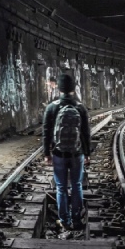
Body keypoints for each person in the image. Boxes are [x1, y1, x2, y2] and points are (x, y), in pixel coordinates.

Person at [43, 74, 91, 230]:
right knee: (76, 185)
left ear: (59, 87)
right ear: (73, 88)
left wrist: (46, 153)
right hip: (77, 154)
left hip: (59, 154)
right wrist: (87, 153)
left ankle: (64, 221)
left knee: (61, 187)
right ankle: (77, 219)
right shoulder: (80, 107)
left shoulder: (52, 107)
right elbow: (85, 133)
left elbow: (46, 131)